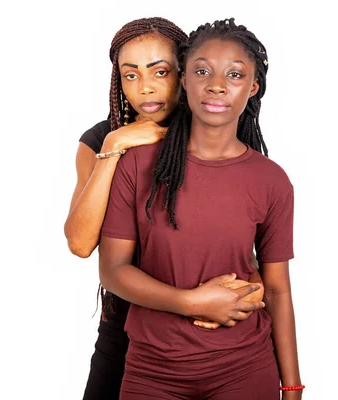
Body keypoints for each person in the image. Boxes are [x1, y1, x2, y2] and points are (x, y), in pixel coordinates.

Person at [99, 18, 302, 400]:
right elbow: (113, 271)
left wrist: (292, 387)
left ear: (254, 87)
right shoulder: (137, 164)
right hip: (152, 371)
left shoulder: (271, 180)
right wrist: (192, 301)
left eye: (235, 74)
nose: (217, 85)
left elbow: (277, 290)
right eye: (203, 70)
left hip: (244, 367)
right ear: (185, 80)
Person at [63, 17, 265, 399]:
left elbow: (253, 236)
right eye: (131, 75)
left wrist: (256, 287)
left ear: (185, 73)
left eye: (161, 71)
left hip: (218, 332)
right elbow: (79, 242)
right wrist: (117, 144)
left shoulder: (214, 131)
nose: (146, 87)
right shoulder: (101, 139)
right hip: (128, 325)